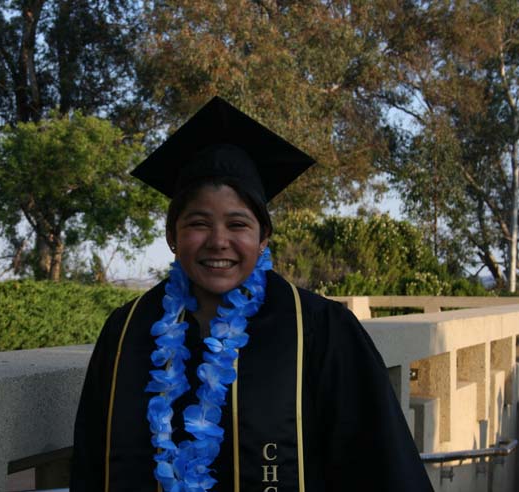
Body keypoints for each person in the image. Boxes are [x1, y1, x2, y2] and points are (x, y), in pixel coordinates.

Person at [70, 97, 433, 492]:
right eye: (198, 223)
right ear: (172, 236)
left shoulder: (319, 329)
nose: (219, 241)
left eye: (238, 224)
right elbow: (90, 464)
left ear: (263, 239)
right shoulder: (126, 332)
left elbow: (380, 465)